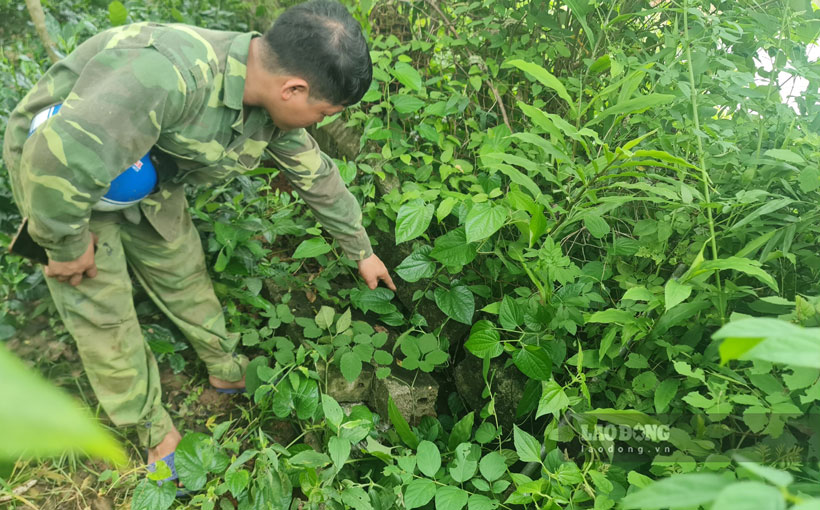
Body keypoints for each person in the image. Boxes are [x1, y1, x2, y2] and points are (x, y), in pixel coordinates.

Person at [2, 0, 395, 477]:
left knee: (181, 264)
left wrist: (363, 251)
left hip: (148, 171)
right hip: (65, 178)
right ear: (294, 88)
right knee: (99, 302)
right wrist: (64, 245)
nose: (320, 124)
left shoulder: (267, 102)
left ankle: (224, 364)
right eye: (323, 112)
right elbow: (57, 166)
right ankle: (151, 429)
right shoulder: (166, 74)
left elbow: (318, 176)